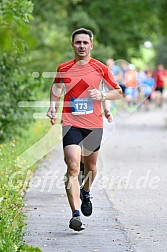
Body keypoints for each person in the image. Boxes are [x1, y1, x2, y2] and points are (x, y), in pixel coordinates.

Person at [47, 28, 122, 232]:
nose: (81, 46)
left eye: (85, 43)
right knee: (72, 166)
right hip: (70, 122)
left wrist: (103, 96)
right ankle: (75, 214)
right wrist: (53, 106)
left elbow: (118, 92)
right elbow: (56, 88)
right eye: (78, 42)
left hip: (93, 124)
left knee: (90, 167)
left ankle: (86, 191)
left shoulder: (100, 68)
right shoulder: (64, 67)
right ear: (72, 45)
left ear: (91, 45)